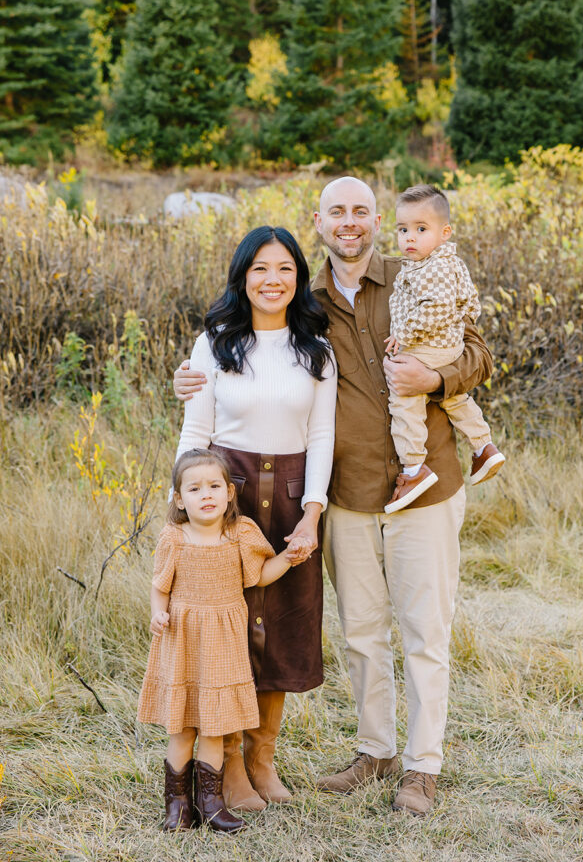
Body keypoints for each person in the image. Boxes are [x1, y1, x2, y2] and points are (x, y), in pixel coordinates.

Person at [174, 179, 492, 817]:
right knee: (361, 630)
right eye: (336, 213)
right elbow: (247, 366)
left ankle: (422, 767)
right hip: (346, 490)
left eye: (361, 213)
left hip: (422, 482)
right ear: (318, 221)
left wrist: (437, 376)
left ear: (377, 221)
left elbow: (478, 351)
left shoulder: (416, 278)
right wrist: (190, 377)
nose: (349, 224)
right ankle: (375, 751)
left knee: (425, 631)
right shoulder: (303, 302)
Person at [173, 225, 337, 813]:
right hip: (228, 492)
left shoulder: (316, 349)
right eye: (261, 269)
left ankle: (265, 758)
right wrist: (189, 512)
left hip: (293, 496)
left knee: (285, 627)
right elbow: (196, 434)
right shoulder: (214, 344)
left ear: (299, 277)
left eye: (286, 269)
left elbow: (322, 436)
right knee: (231, 630)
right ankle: (231, 761)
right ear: (243, 276)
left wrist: (312, 512)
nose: (273, 280)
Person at [137, 448, 309, 833]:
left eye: (215, 486)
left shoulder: (240, 534)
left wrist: (288, 558)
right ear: (180, 499)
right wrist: (157, 612)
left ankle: (211, 803)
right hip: (182, 641)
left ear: (230, 492)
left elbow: (260, 576)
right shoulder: (174, 538)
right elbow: (159, 585)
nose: (207, 494)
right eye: (195, 489)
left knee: (215, 726)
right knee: (182, 729)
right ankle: (178, 807)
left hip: (224, 644)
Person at [383, 184, 504, 513]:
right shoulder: (449, 263)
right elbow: (468, 302)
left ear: (444, 232)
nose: (410, 238)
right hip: (447, 347)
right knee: (455, 398)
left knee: (404, 397)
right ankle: (483, 446)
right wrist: (460, 321)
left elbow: (435, 307)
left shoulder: (430, 267)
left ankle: (413, 467)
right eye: (403, 230)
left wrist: (405, 334)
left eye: (421, 230)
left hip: (428, 347)